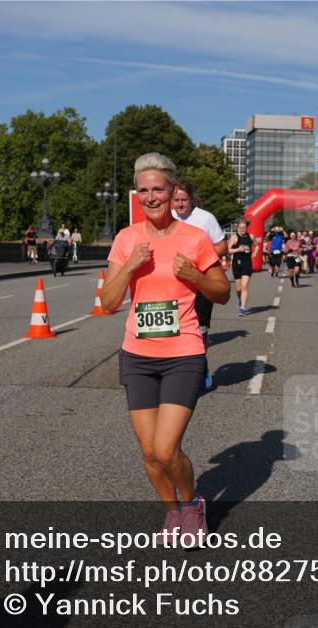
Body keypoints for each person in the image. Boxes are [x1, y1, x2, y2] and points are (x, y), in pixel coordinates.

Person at [99, 153, 230, 544]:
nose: (151, 197)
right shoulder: (126, 239)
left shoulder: (194, 238)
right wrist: (129, 267)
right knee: (150, 454)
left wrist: (193, 275)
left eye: (158, 189)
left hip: (183, 354)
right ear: (136, 195)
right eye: (143, 190)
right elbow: (107, 302)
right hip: (137, 356)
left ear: (174, 192)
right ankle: (172, 513)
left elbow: (222, 292)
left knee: (166, 446)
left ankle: (192, 504)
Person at [172, 179, 228, 390]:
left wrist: (200, 258)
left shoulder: (205, 218)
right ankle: (179, 370)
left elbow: (222, 246)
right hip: (175, 282)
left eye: (183, 200)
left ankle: (200, 365)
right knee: (176, 329)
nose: (179, 204)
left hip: (201, 280)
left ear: (192, 199)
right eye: (175, 200)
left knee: (199, 328)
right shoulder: (167, 218)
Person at [228, 220, 254, 315]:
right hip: (237, 264)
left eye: (244, 228)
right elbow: (229, 250)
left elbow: (257, 245)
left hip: (247, 264)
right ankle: (240, 299)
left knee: (244, 286)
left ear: (246, 228)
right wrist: (238, 249)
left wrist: (255, 252)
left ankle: (242, 308)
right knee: (238, 289)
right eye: (241, 228)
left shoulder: (251, 236)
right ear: (238, 228)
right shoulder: (234, 237)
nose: (242, 229)